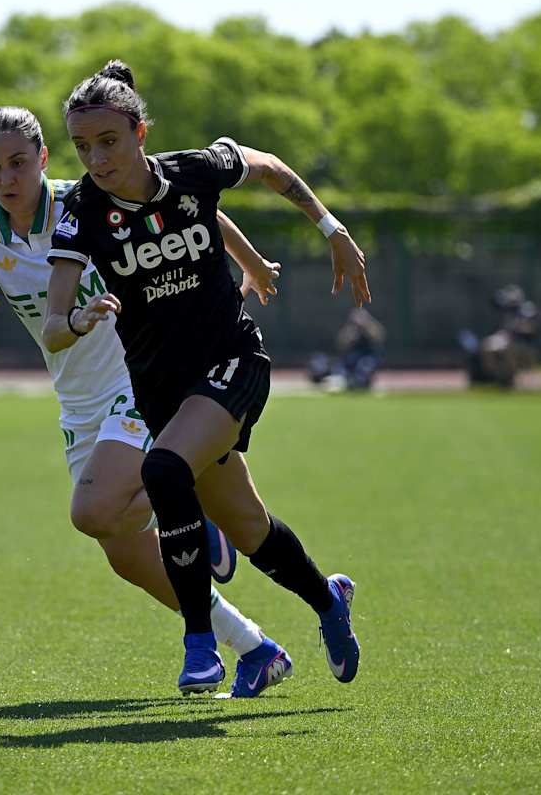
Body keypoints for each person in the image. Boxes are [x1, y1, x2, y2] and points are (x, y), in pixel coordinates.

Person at [0, 105, 291, 697]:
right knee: (124, 553)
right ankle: (256, 648)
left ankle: (187, 505)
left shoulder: (86, 202)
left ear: (43, 158)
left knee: (93, 511)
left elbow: (191, 208)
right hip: (79, 403)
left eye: (18, 162)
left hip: (142, 381)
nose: (7, 178)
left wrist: (250, 262)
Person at [44, 61, 369, 694]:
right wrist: (78, 320)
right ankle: (328, 598)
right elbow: (54, 325)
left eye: (108, 142)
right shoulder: (81, 212)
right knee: (249, 529)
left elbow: (269, 167)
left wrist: (332, 230)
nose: (96, 159)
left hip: (235, 361)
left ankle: (200, 646)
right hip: (162, 391)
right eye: (82, 146)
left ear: (140, 133)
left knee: (164, 470)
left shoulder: (194, 171)